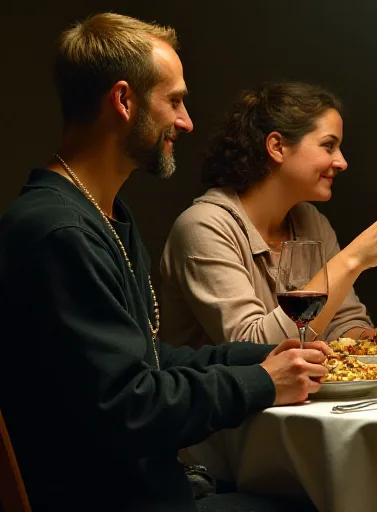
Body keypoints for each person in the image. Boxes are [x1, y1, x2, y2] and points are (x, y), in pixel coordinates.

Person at [0, 13, 326, 511]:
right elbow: (129, 406)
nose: (187, 121)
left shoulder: (105, 215)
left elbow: (151, 360)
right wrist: (262, 383)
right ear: (124, 100)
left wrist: (261, 359)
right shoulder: (57, 231)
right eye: (174, 100)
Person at [159, 82, 377, 349]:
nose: (342, 162)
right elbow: (255, 347)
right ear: (277, 147)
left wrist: (371, 339)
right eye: (328, 145)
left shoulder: (311, 222)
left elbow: (338, 324)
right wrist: (353, 259)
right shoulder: (203, 227)